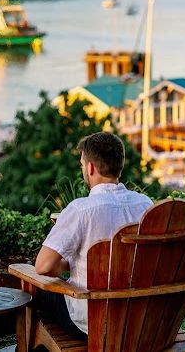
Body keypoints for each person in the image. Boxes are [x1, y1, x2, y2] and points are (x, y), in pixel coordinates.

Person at [34, 132, 153, 338]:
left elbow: (43, 267)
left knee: (35, 286)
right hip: (139, 320)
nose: (83, 169)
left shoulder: (81, 210)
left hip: (93, 325)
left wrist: (66, 264)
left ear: (90, 167)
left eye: (82, 164)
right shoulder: (145, 205)